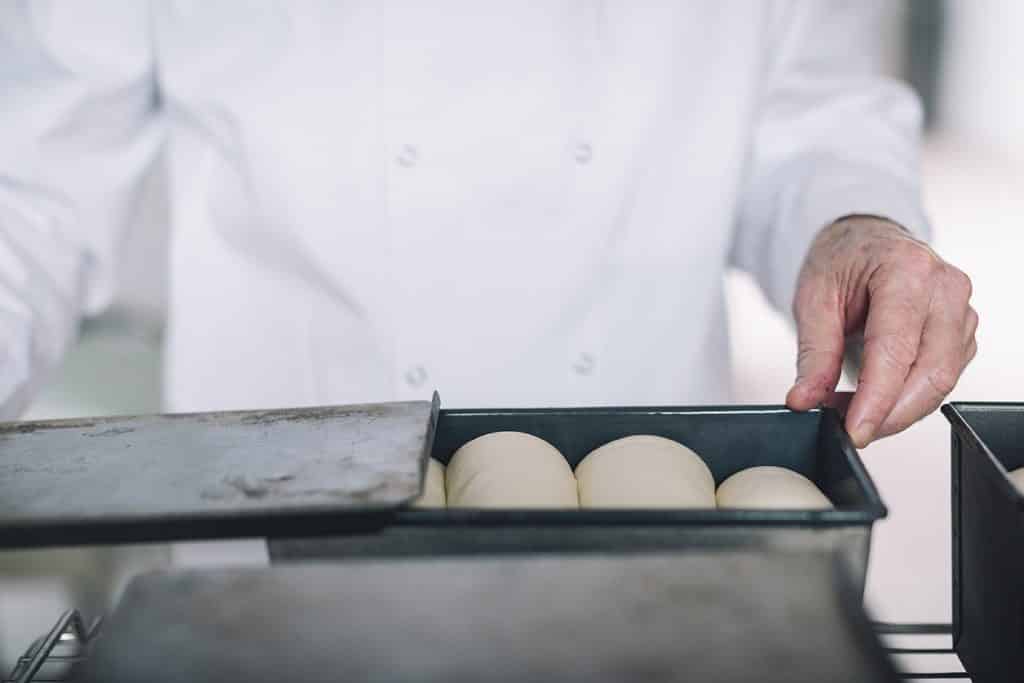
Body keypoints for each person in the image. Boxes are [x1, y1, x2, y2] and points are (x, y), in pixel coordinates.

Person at [0, 1, 975, 448]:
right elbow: (32, 187)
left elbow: (807, 113)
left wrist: (854, 227)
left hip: (650, 526)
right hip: (276, 523)